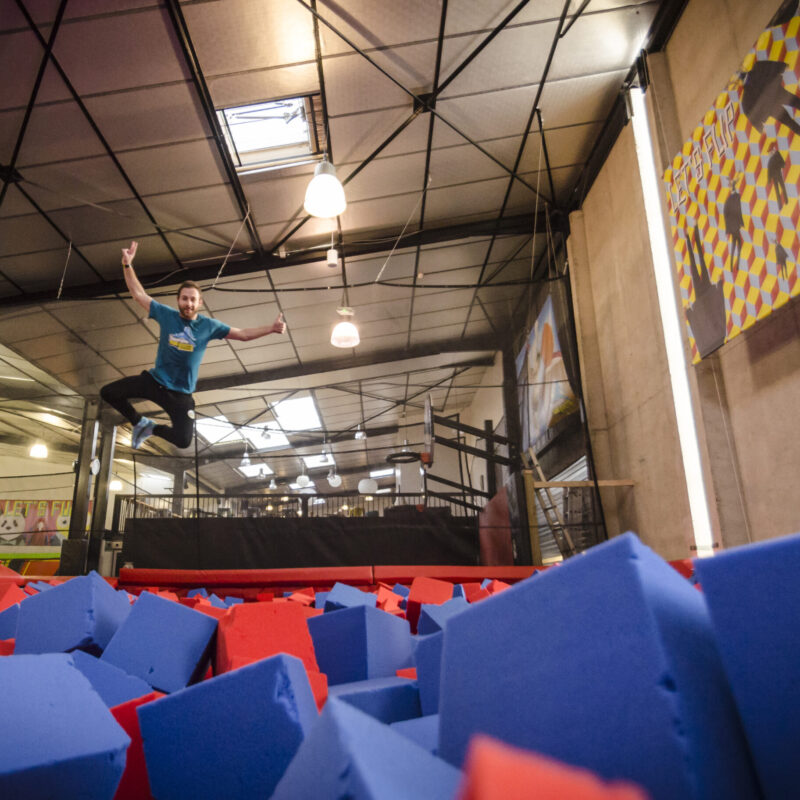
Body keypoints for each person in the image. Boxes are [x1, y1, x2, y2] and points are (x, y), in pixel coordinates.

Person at [100, 241, 286, 449]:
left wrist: (271, 328)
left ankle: (151, 429)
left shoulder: (209, 325)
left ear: (200, 303)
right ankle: (139, 423)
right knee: (108, 392)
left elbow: (242, 334)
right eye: (184, 299)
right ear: (178, 300)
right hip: (154, 382)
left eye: (192, 300)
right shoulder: (166, 315)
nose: (188, 304)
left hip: (181, 394)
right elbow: (138, 294)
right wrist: (127, 264)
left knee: (183, 440)